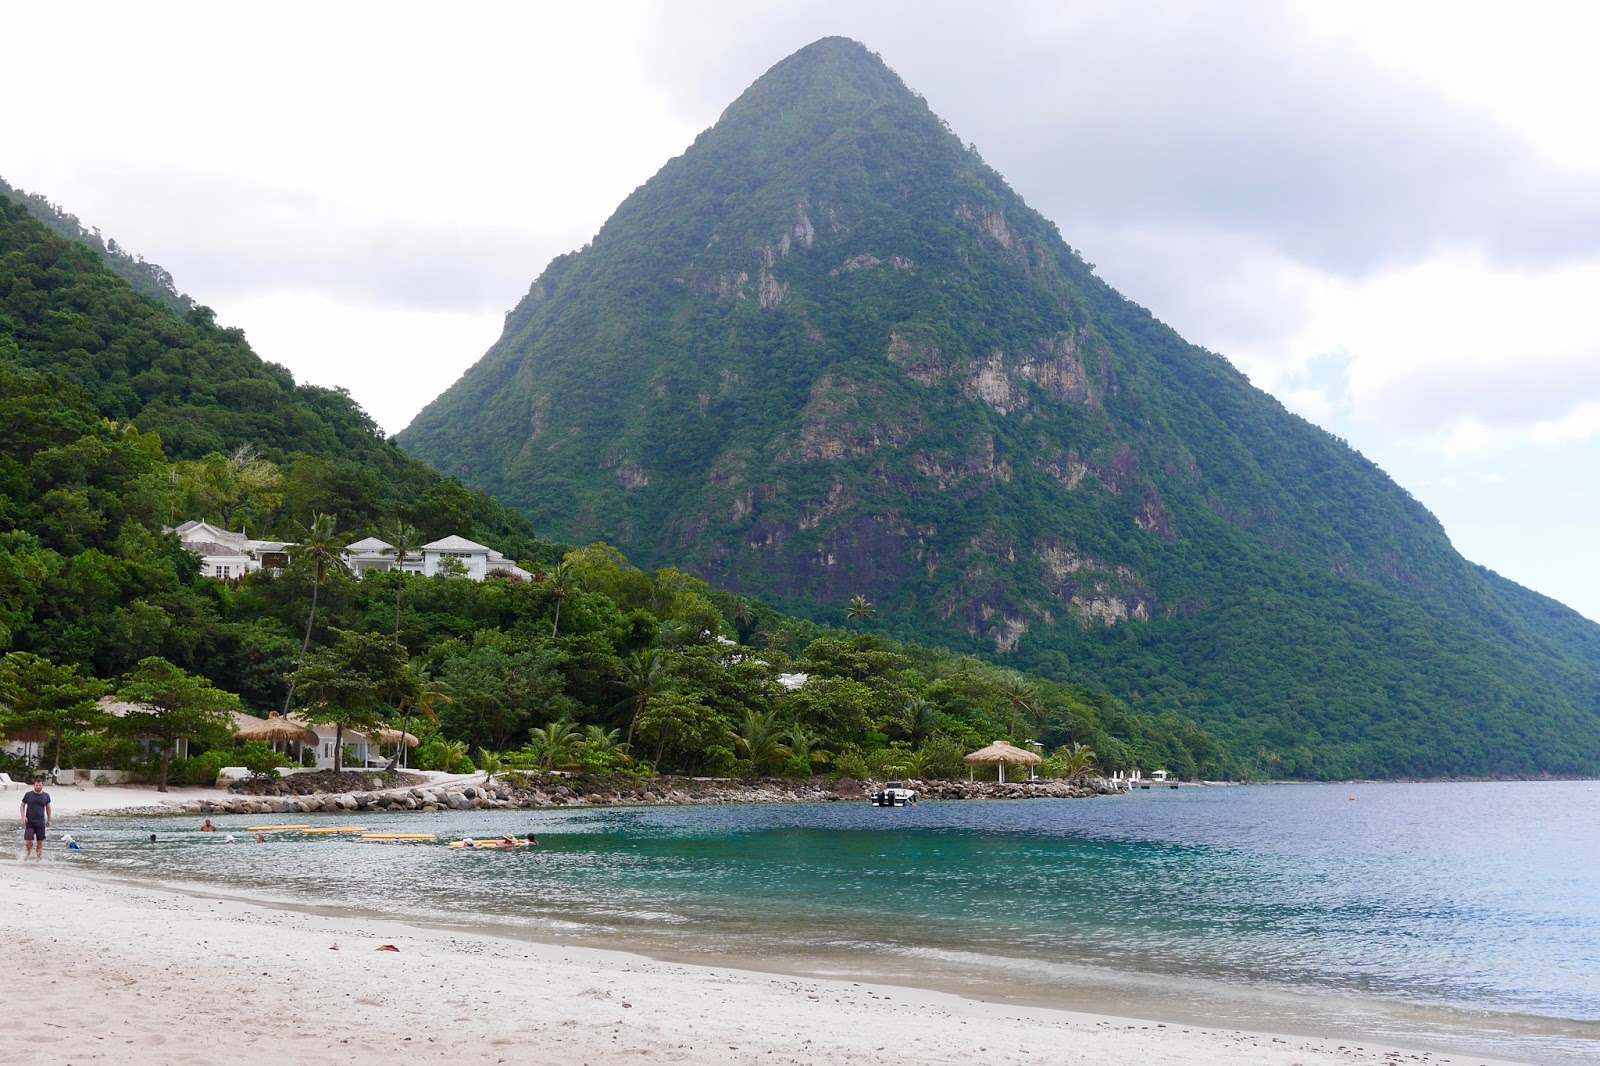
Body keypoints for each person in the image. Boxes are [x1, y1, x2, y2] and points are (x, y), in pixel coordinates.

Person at [19, 780, 50, 861]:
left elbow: (48, 808)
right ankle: (28, 853)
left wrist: (49, 819)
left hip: (40, 822)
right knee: (28, 840)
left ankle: (38, 858)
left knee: (40, 841)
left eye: (40, 785)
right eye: (37, 785)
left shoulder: (46, 796)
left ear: (42, 785)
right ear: (34, 785)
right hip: (29, 821)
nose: (38, 787)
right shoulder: (28, 795)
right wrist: (23, 817)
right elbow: (22, 805)